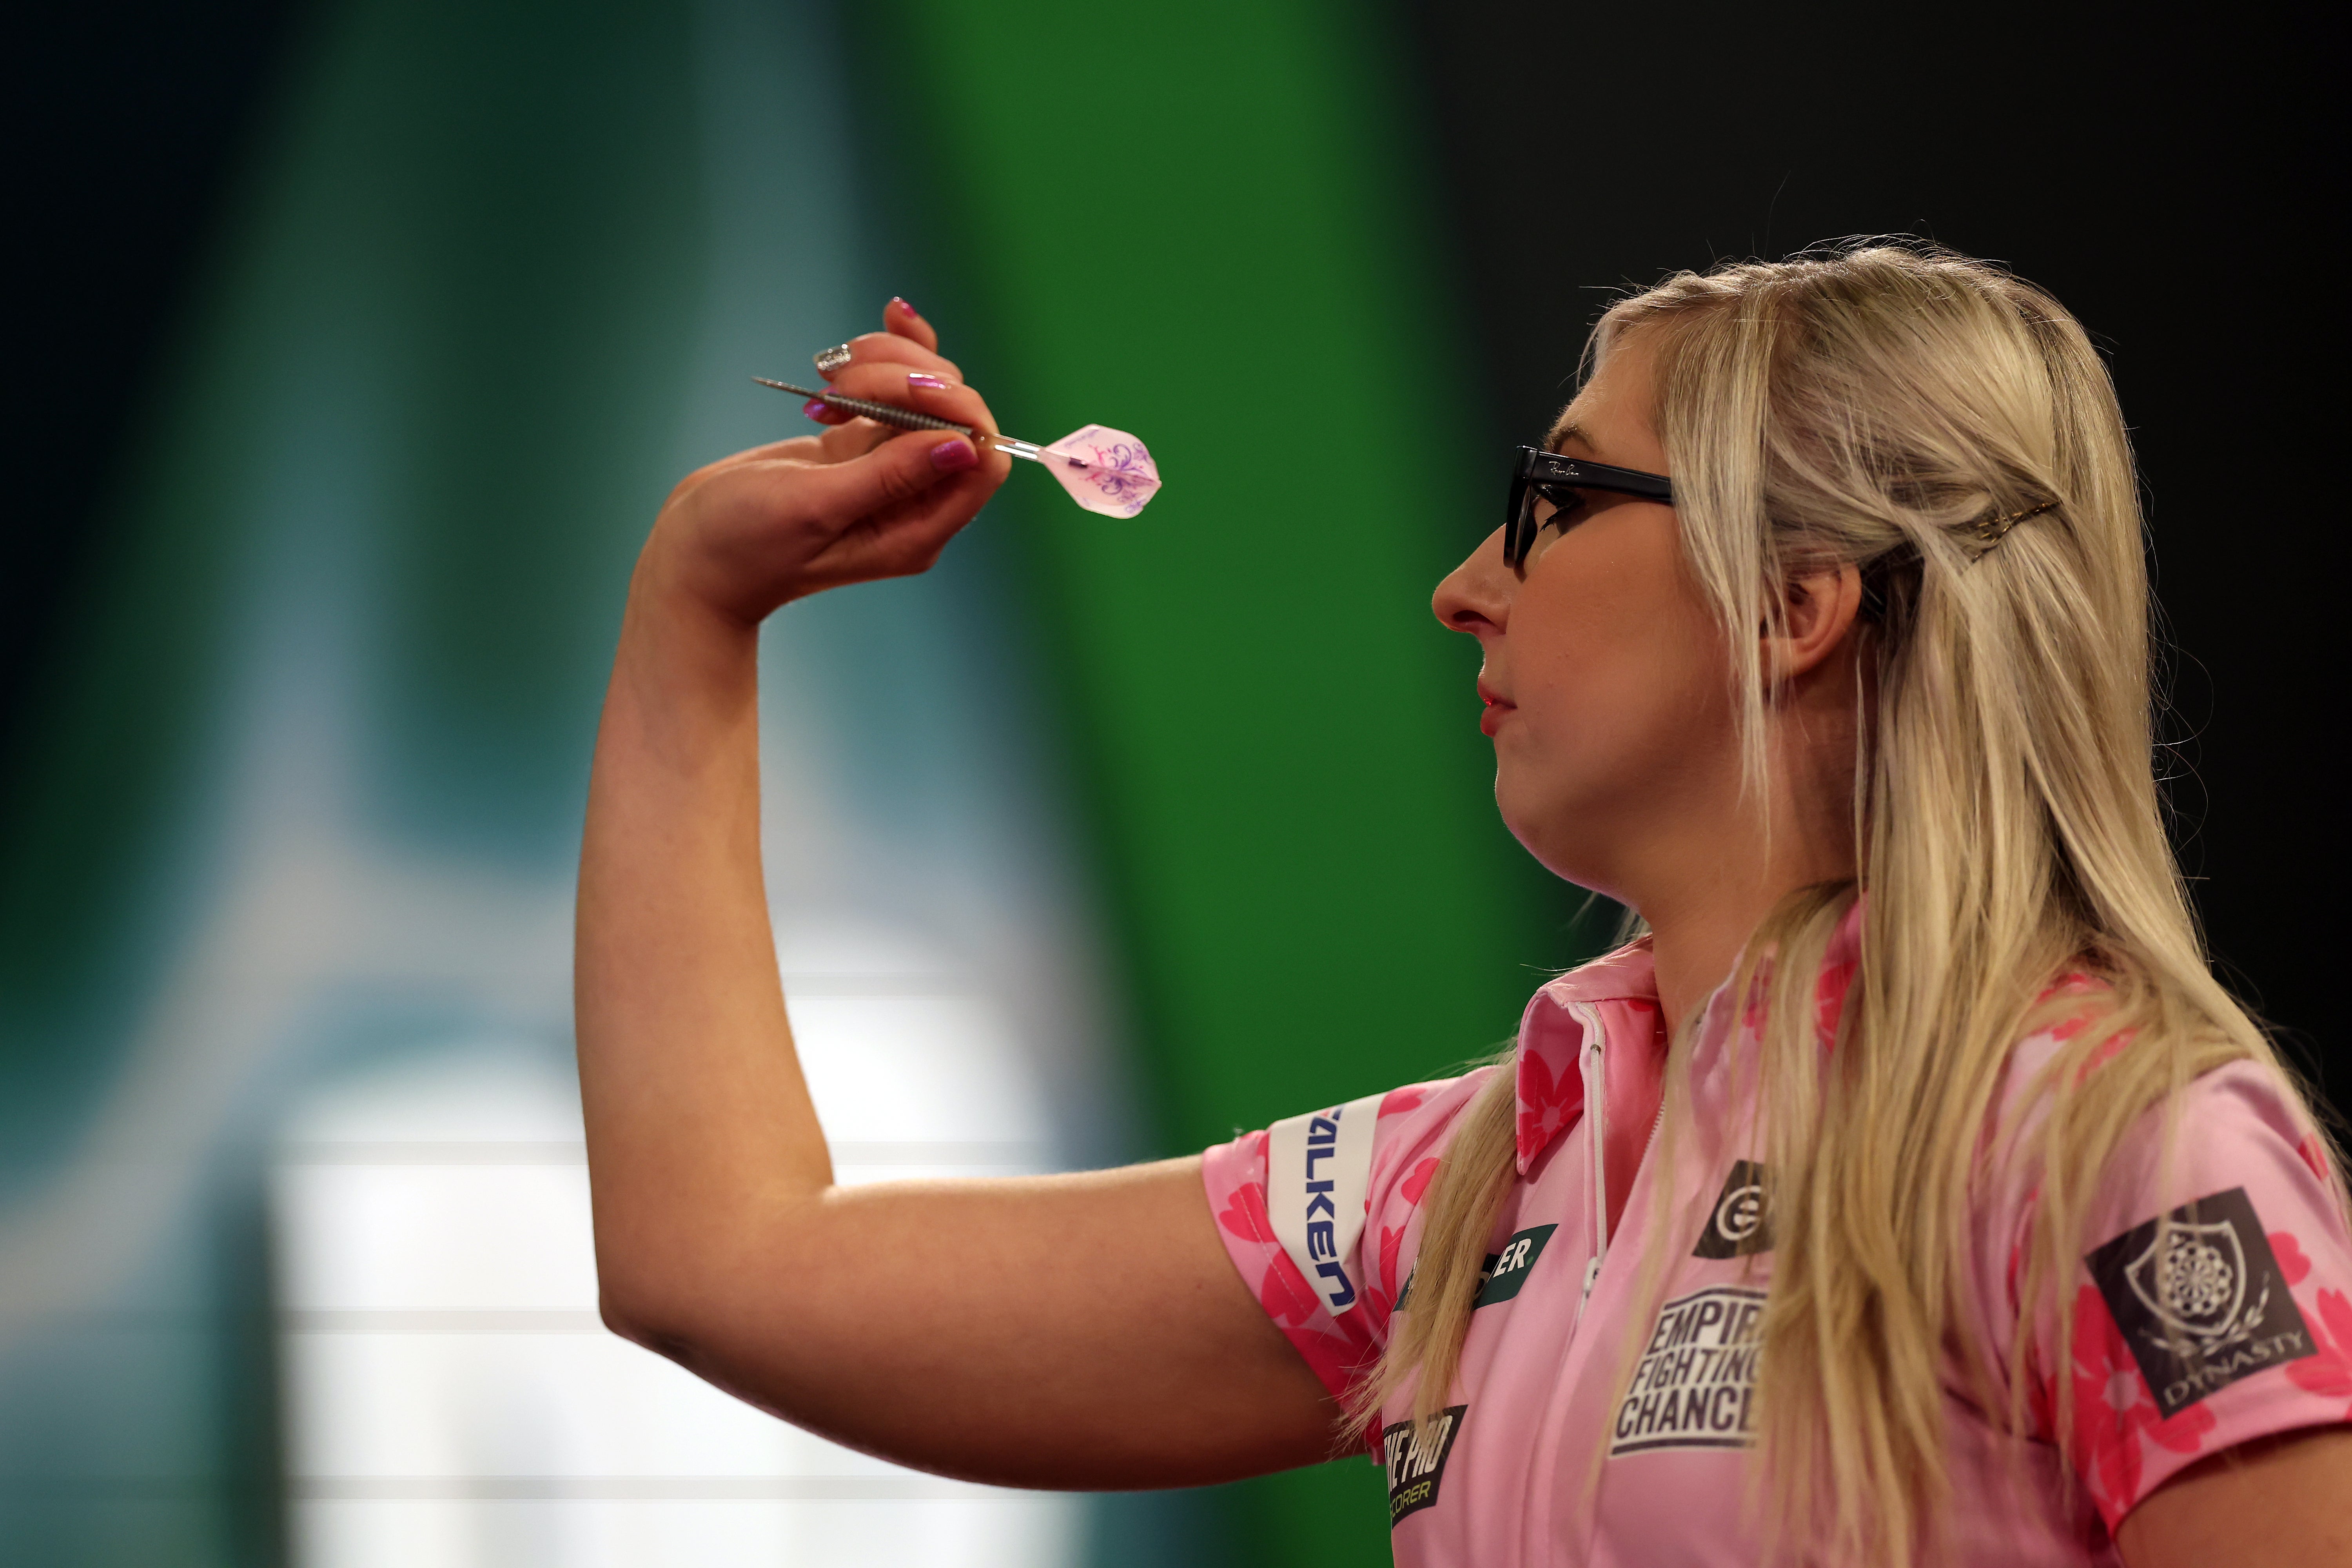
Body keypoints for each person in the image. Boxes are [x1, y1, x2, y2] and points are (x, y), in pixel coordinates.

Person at [574, 253, 2352, 1566]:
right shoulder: (1485, 1183)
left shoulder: (2111, 1139)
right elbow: (726, 1266)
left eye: (1557, 501)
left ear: (1793, 599)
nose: (1460, 589)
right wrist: (692, 623)